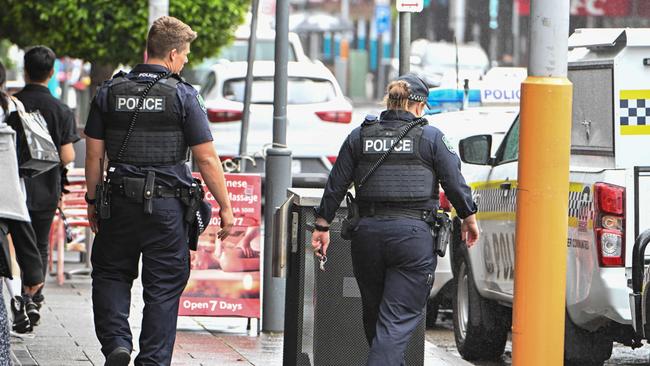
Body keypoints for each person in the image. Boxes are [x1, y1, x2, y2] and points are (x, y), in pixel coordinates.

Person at [84, 16, 234, 366]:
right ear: (171, 54)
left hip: (118, 202)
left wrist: (93, 201)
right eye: (185, 55)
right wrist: (225, 206)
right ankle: (152, 361)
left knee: (110, 273)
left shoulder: (109, 91)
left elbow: (94, 154)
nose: (186, 61)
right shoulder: (182, 94)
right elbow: (207, 159)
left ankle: (117, 344)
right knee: (163, 289)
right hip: (167, 209)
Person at [311, 73, 480, 366]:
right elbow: (455, 183)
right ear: (418, 107)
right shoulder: (431, 139)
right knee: (393, 324)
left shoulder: (360, 136)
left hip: (367, 237)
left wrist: (322, 225)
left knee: (377, 323)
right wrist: (468, 217)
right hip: (412, 239)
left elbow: (335, 184)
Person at [14, 46, 79, 323]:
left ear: (25, 71)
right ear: (52, 73)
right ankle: (33, 296)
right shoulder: (61, 110)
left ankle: (17, 295)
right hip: (45, 189)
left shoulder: (10, 106)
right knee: (40, 243)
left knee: (14, 244)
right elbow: (67, 155)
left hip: (12, 189)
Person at [0, 61, 45, 346]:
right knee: (8, 247)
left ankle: (17, 298)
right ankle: (17, 297)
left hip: (10, 191)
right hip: (11, 190)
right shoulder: (12, 106)